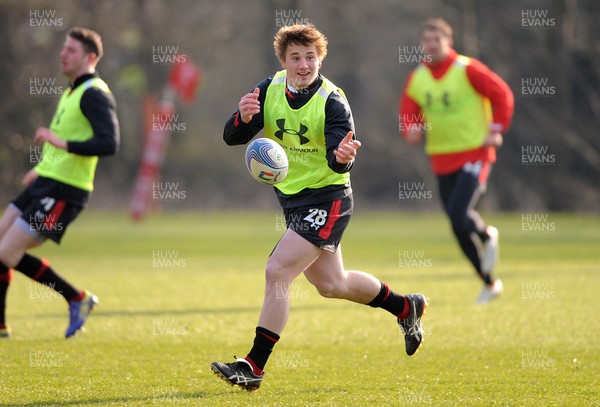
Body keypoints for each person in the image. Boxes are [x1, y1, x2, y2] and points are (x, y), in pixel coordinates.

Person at [212, 23, 427, 391]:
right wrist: (243, 117)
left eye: (310, 57)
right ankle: (406, 307)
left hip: (328, 199)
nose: (303, 64)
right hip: (294, 200)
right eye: (295, 57)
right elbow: (233, 137)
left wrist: (343, 157)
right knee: (332, 284)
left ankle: (253, 366)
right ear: (283, 61)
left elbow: (338, 159)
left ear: (320, 59)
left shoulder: (332, 100)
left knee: (277, 270)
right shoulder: (269, 89)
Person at [0, 27, 119, 339]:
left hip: (67, 190)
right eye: (63, 48)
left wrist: (58, 142)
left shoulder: (94, 93)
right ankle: (0, 326)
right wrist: (39, 169)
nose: (62, 54)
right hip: (46, 182)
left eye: (71, 50)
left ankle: (76, 297)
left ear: (90, 57)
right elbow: (65, 142)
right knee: (0, 245)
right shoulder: (71, 92)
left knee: (7, 253)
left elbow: (109, 143)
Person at [399, 18, 514, 303]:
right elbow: (408, 111)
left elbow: (502, 95)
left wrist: (495, 128)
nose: (431, 45)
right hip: (441, 157)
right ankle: (489, 283)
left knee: (459, 213)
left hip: (475, 152)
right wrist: (411, 129)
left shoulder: (467, 68)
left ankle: (487, 235)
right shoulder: (418, 77)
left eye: (436, 39)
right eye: (426, 40)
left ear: (448, 42)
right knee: (456, 223)